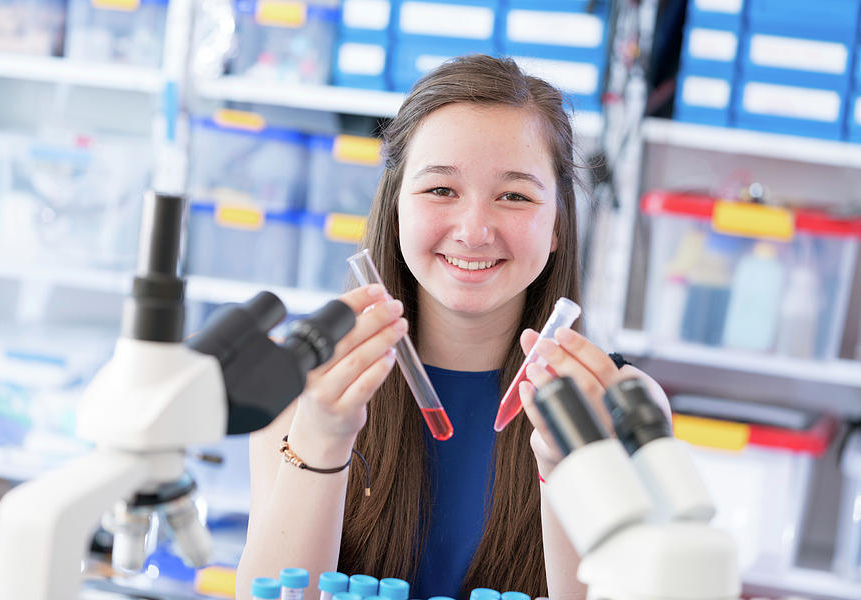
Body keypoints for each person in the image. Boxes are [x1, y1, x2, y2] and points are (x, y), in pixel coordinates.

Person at [235, 54, 669, 600]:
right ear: (396, 209)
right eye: (441, 189)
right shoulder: (305, 378)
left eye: (514, 195)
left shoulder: (622, 402)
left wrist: (573, 473)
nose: (474, 231)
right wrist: (321, 434)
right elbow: (273, 593)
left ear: (557, 224)